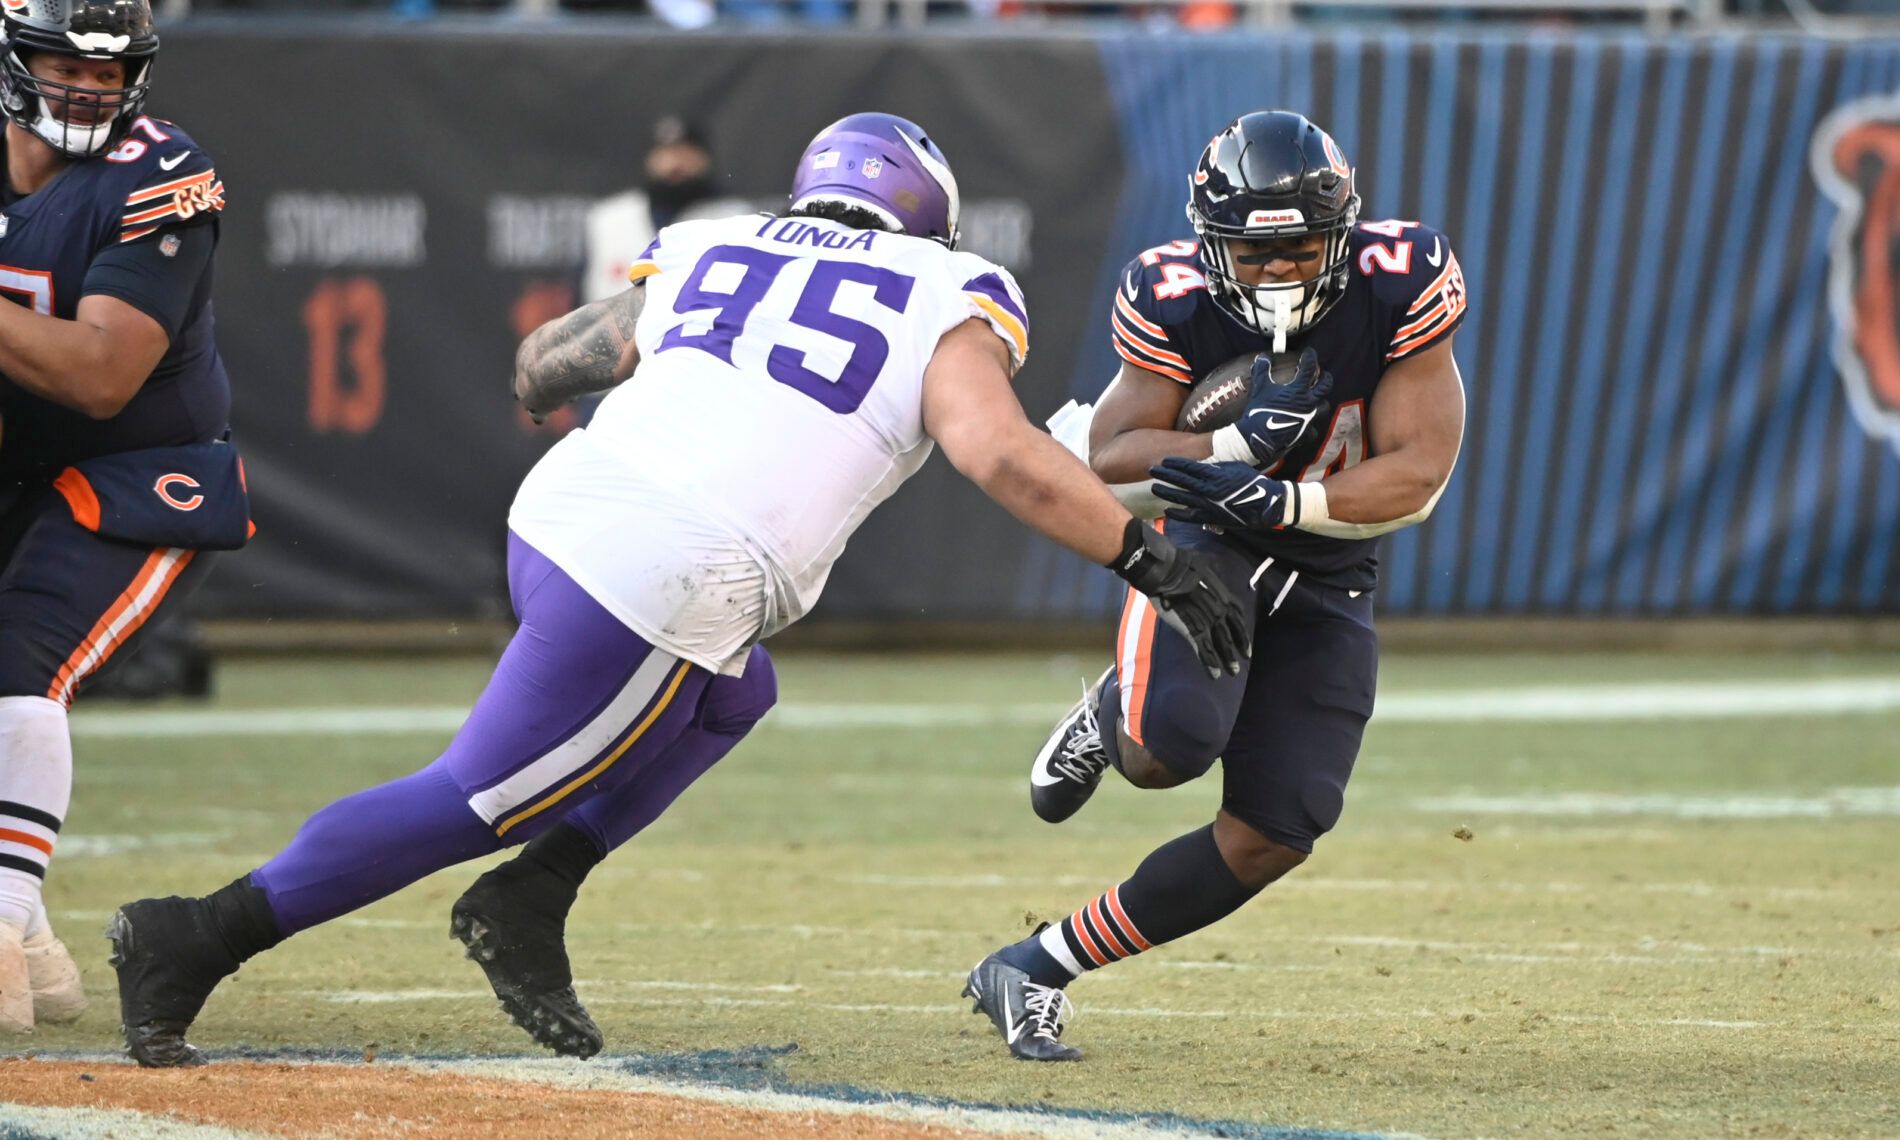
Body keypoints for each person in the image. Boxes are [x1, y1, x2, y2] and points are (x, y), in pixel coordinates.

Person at [106, 111, 1252, 1068]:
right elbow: (997, 452)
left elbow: (546, 364)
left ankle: (532, 897)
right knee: (479, 796)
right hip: (670, 567)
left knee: (732, 693)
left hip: (566, 513)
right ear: (927, 216)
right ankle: (196, 935)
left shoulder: (712, 244)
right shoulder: (950, 283)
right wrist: (1145, 558)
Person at [965, 110, 1469, 1060]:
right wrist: (1230, 450)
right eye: (1254, 252)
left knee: (1278, 830)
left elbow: (1417, 474)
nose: (1279, 272)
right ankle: (1120, 712)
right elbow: (1109, 459)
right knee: (1166, 752)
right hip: (1208, 542)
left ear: (1344, 232)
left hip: (1330, 553)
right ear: (1213, 244)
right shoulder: (1173, 293)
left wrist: (1285, 501)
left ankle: (1032, 967)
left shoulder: (1400, 281)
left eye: (1303, 248)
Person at [0, 0, 240, 1035]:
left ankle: (4, 923)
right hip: (18, 457)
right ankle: (37, 948)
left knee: (19, 659)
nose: (89, 85)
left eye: (111, 68)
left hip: (140, 466)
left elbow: (101, 374)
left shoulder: (162, 171)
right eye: (65, 60)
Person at [578, 116, 750, 306]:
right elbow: (580, 294)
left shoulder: (734, 218)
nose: (674, 164)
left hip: (698, 331)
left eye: (685, 153)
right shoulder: (609, 217)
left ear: (705, 158)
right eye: (666, 153)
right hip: (616, 331)